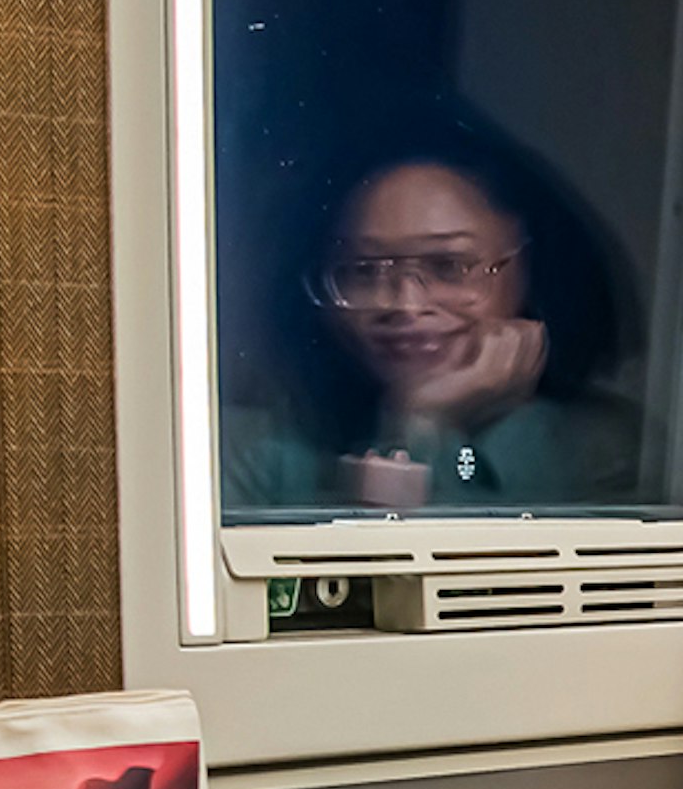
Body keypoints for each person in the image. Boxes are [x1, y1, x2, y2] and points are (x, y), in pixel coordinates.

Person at [224, 135, 644, 512]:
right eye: (364, 272)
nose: (406, 305)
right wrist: (413, 429)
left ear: (528, 268)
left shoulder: (605, 451)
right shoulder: (262, 450)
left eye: (449, 266)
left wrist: (422, 429)